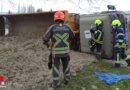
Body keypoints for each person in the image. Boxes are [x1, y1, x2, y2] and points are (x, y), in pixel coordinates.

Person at [43, 11, 75, 88]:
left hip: (56, 53)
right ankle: (67, 81)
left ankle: (56, 84)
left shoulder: (52, 27)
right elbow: (73, 36)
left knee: (56, 68)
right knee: (66, 66)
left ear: (55, 18)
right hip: (65, 52)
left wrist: (47, 44)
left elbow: (44, 38)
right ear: (63, 18)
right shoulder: (68, 27)